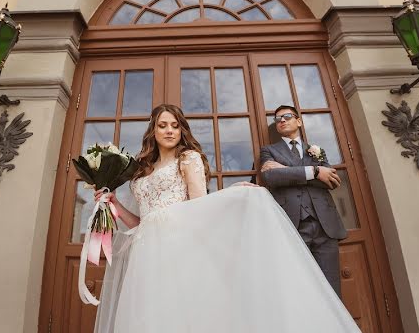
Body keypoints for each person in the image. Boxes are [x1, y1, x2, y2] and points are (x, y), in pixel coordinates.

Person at [93, 104, 360, 333]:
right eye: (163, 125)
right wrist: (114, 203)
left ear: (182, 129)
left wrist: (231, 194)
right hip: (146, 253)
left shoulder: (188, 158)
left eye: (175, 125)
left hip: (180, 247)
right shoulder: (142, 171)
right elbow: (142, 222)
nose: (169, 130)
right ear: (153, 130)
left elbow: (199, 207)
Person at [259, 104, 349, 294]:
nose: (282, 120)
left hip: (325, 228)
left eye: (287, 116)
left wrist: (288, 173)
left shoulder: (316, 150)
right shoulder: (269, 151)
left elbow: (330, 181)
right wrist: (315, 172)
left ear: (298, 121)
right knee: (299, 290)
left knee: (332, 290)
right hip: (292, 226)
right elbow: (271, 178)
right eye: (277, 119)